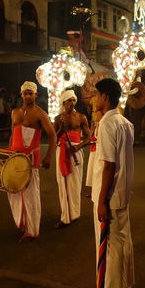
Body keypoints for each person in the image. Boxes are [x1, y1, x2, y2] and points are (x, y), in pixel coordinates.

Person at [80, 78, 134, 288]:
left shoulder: (107, 125)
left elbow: (109, 166)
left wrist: (101, 200)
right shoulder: (125, 123)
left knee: (108, 246)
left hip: (110, 196)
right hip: (122, 194)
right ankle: (122, 287)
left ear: (105, 97)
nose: (93, 99)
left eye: (96, 94)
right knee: (121, 241)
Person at [7, 81, 56, 242]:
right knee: (13, 191)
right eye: (25, 93)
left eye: (31, 93)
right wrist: (8, 154)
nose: (28, 96)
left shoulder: (40, 113)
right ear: (21, 95)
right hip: (14, 158)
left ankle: (32, 230)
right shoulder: (14, 112)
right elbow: (13, 135)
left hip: (31, 160)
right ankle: (23, 222)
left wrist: (48, 156)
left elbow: (52, 135)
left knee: (31, 195)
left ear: (36, 95)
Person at [53, 89, 91, 228]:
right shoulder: (58, 119)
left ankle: (74, 214)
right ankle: (65, 217)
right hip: (62, 150)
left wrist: (79, 146)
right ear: (63, 103)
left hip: (76, 151)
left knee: (75, 183)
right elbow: (53, 138)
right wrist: (60, 130)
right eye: (69, 100)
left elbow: (89, 136)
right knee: (63, 183)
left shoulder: (81, 117)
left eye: (73, 100)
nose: (72, 103)